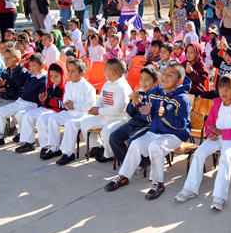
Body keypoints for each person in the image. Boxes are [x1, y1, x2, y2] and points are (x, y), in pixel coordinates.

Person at [104, 64, 192, 200]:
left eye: (170, 75)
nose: (165, 77)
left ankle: (157, 183)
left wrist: (165, 115)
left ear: (179, 82)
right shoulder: (154, 93)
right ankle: (124, 176)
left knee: (155, 146)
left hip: (175, 135)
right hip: (156, 131)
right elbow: (149, 118)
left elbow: (181, 125)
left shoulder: (182, 98)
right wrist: (146, 113)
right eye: (164, 73)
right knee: (135, 144)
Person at [175, 74, 231, 211]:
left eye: (228, 88)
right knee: (198, 153)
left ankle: (219, 197)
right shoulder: (216, 105)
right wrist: (211, 134)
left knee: (225, 158)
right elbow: (209, 123)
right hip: (217, 138)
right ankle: (190, 188)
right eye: (221, 88)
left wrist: (223, 133)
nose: (224, 91)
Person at [38, 59, 96, 163]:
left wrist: (74, 105)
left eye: (73, 71)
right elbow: (65, 98)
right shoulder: (69, 84)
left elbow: (90, 105)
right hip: (70, 112)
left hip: (83, 114)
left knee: (70, 123)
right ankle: (54, 148)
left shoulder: (88, 87)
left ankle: (69, 153)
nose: (69, 73)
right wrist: (66, 104)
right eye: (68, 70)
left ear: (81, 73)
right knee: (53, 119)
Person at [0, 52, 48, 146]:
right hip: (21, 101)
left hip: (32, 104)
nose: (31, 68)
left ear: (42, 66)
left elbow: (41, 97)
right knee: (1, 111)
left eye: (34, 66)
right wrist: (20, 67)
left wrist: (40, 106)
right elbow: (15, 76)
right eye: (30, 66)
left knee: (20, 115)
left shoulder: (44, 78)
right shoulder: (30, 74)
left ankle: (25, 139)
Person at [76, 58, 132, 164]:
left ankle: (108, 154)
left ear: (113, 72)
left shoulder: (122, 88)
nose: (104, 71)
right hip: (105, 115)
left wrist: (100, 111)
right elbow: (101, 98)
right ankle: (96, 146)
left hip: (120, 118)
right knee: (85, 122)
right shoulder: (108, 84)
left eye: (105, 69)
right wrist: (96, 108)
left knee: (106, 131)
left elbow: (117, 109)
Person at [107, 65, 160, 165]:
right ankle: (126, 163)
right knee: (114, 137)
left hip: (147, 126)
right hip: (133, 123)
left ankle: (142, 163)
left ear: (155, 83)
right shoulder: (139, 92)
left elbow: (148, 117)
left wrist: (138, 103)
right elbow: (130, 113)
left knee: (133, 141)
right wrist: (134, 102)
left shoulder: (157, 96)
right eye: (141, 79)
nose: (143, 82)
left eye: (147, 79)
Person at [15, 61, 68, 153]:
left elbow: (63, 105)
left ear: (62, 75)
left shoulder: (65, 87)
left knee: (42, 119)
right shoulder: (50, 86)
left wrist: (48, 101)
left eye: (56, 76)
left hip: (57, 111)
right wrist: (43, 100)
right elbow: (47, 102)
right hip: (47, 108)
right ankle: (28, 142)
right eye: (51, 76)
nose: (53, 78)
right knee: (28, 116)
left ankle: (46, 145)